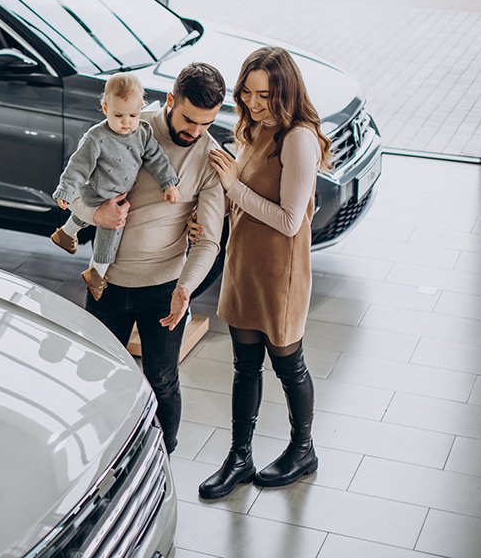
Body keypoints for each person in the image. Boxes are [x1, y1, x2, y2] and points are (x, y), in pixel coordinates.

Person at [194, 46, 333, 499]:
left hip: (280, 271)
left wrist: (234, 184)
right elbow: (244, 199)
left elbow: (291, 221)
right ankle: (240, 456)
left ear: (286, 91)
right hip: (244, 260)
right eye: (248, 93)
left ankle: (302, 449)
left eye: (264, 95)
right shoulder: (254, 128)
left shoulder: (297, 139)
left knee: (288, 364)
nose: (253, 104)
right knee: (244, 365)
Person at [69, 63, 227, 454]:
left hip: (163, 288)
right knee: (96, 373)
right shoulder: (123, 125)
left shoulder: (210, 157)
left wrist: (186, 288)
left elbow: (208, 242)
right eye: (189, 119)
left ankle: (163, 455)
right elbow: (73, 195)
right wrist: (96, 215)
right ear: (170, 101)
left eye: (206, 123)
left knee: (162, 379)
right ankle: (99, 452)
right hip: (107, 281)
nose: (195, 132)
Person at [51, 73, 181, 300]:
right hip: (97, 192)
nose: (126, 121)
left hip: (113, 192)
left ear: (142, 108)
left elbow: (157, 158)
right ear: (104, 108)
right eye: (118, 115)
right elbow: (78, 167)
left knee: (85, 219)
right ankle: (97, 274)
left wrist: (168, 183)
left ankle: (65, 234)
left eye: (133, 114)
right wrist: (66, 189)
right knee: (112, 228)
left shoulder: (142, 132)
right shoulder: (96, 138)